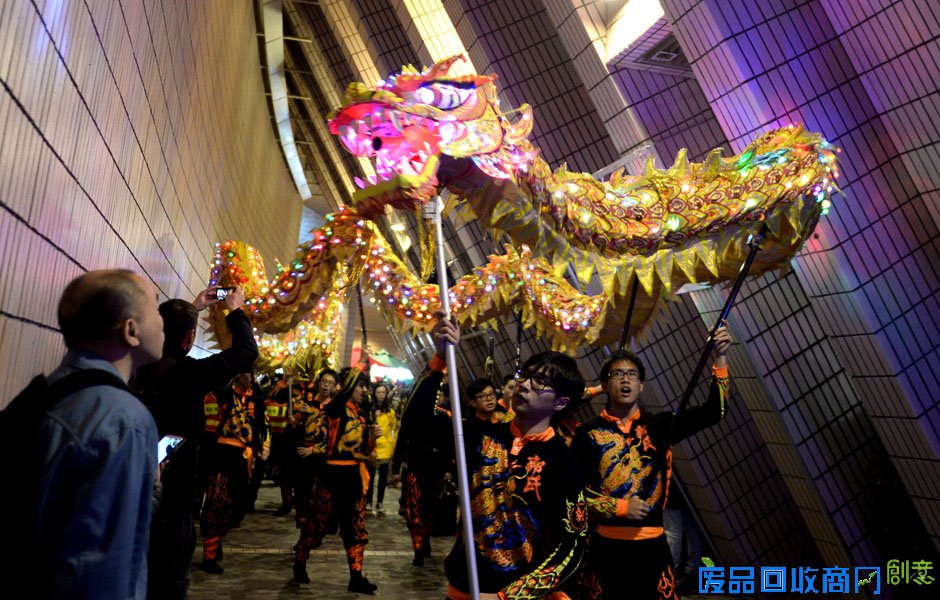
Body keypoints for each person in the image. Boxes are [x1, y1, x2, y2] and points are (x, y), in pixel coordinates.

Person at [571, 325, 732, 600]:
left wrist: (720, 357)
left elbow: (715, 411)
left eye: (632, 375)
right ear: (606, 385)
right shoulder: (587, 433)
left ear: (641, 385)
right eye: (618, 374)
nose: (625, 380)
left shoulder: (659, 426)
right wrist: (619, 507)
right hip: (606, 549)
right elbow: (573, 495)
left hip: (653, 549)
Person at [33, 269, 163, 599]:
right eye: (156, 308)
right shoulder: (122, 419)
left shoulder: (52, 392)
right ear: (131, 330)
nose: (163, 321)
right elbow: (107, 562)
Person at [441, 317, 590, 600]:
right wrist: (440, 357)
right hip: (464, 588)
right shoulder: (480, 435)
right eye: (524, 375)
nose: (524, 385)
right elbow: (418, 422)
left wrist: (507, 598)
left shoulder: (563, 460)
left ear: (560, 403)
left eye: (540, 382)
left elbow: (572, 546)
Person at [133, 285, 258, 600]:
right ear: (190, 339)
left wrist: (192, 310)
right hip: (175, 495)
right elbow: (246, 353)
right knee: (170, 579)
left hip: (131, 488)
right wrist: (235, 311)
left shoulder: (138, 364)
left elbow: (170, 337)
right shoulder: (194, 373)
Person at [293, 367, 380, 594]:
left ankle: (356, 576)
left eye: (365, 386)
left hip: (352, 478)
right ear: (350, 386)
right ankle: (300, 561)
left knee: (355, 528)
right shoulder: (334, 409)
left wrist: (373, 438)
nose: (364, 390)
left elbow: (367, 451)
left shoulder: (362, 414)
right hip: (331, 477)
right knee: (317, 525)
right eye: (360, 386)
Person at [391, 323, 457, 567]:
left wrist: (451, 467)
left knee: (430, 508)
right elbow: (403, 436)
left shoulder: (448, 417)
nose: (438, 396)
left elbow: (451, 445)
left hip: (437, 468)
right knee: (414, 508)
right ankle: (418, 545)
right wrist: (397, 467)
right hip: (417, 465)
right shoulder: (417, 413)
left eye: (442, 394)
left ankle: (425, 538)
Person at [199, 373, 270, 573]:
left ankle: (218, 537)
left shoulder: (256, 399)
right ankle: (209, 556)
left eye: (251, 372)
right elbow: (209, 429)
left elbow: (263, 426)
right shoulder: (219, 396)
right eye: (246, 372)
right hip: (221, 455)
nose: (250, 376)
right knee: (217, 503)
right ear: (237, 374)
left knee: (237, 507)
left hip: (243, 458)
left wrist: (264, 446)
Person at [366, 383, 397, 514]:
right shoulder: (369, 410)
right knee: (370, 476)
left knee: (383, 477)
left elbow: (394, 428)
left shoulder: (390, 412)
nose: (380, 395)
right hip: (372, 446)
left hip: (385, 447)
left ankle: (380, 502)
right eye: (378, 392)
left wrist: (391, 442)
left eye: (383, 392)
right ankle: (368, 501)